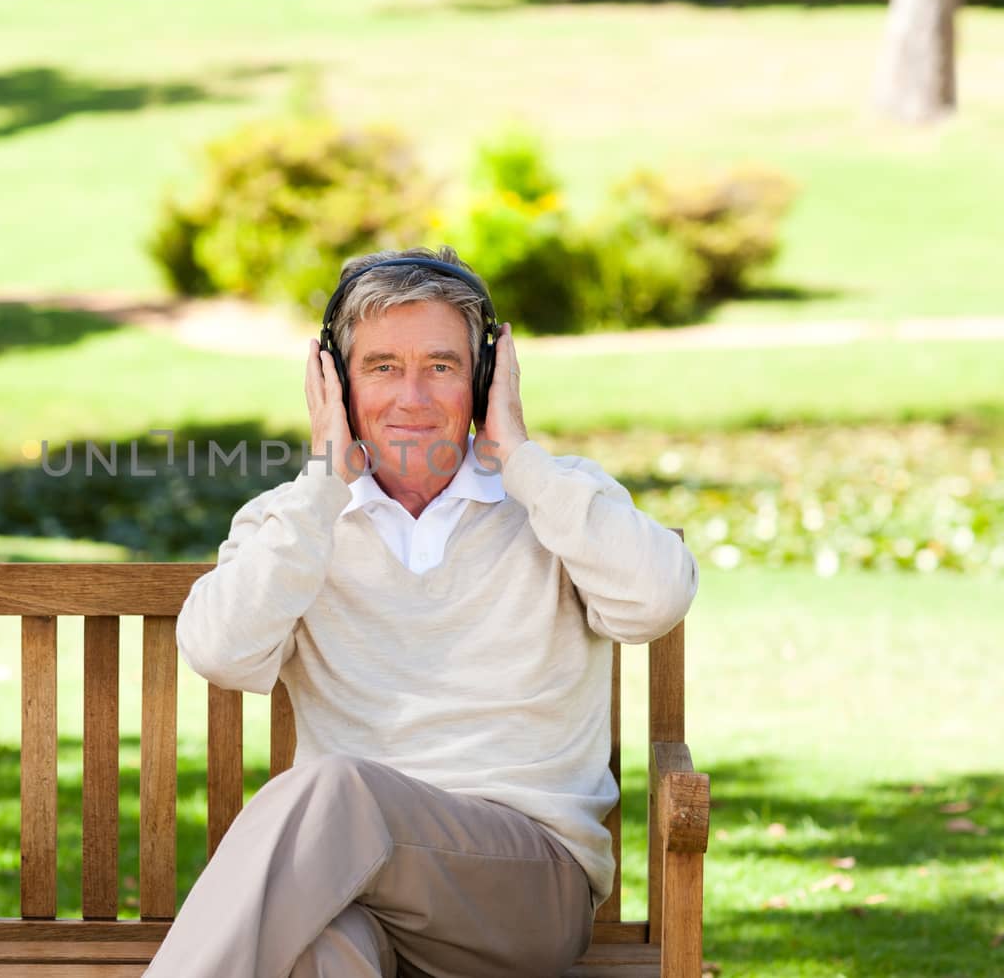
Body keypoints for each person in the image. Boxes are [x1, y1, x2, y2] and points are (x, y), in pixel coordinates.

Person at [142, 247, 699, 978]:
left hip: (525, 889)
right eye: (381, 368)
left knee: (338, 789)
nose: (412, 398)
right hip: (357, 892)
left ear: (485, 379)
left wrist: (521, 457)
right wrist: (321, 490)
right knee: (318, 956)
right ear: (335, 384)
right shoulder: (294, 522)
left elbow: (656, 600)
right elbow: (220, 652)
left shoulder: (558, 502)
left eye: (440, 366)